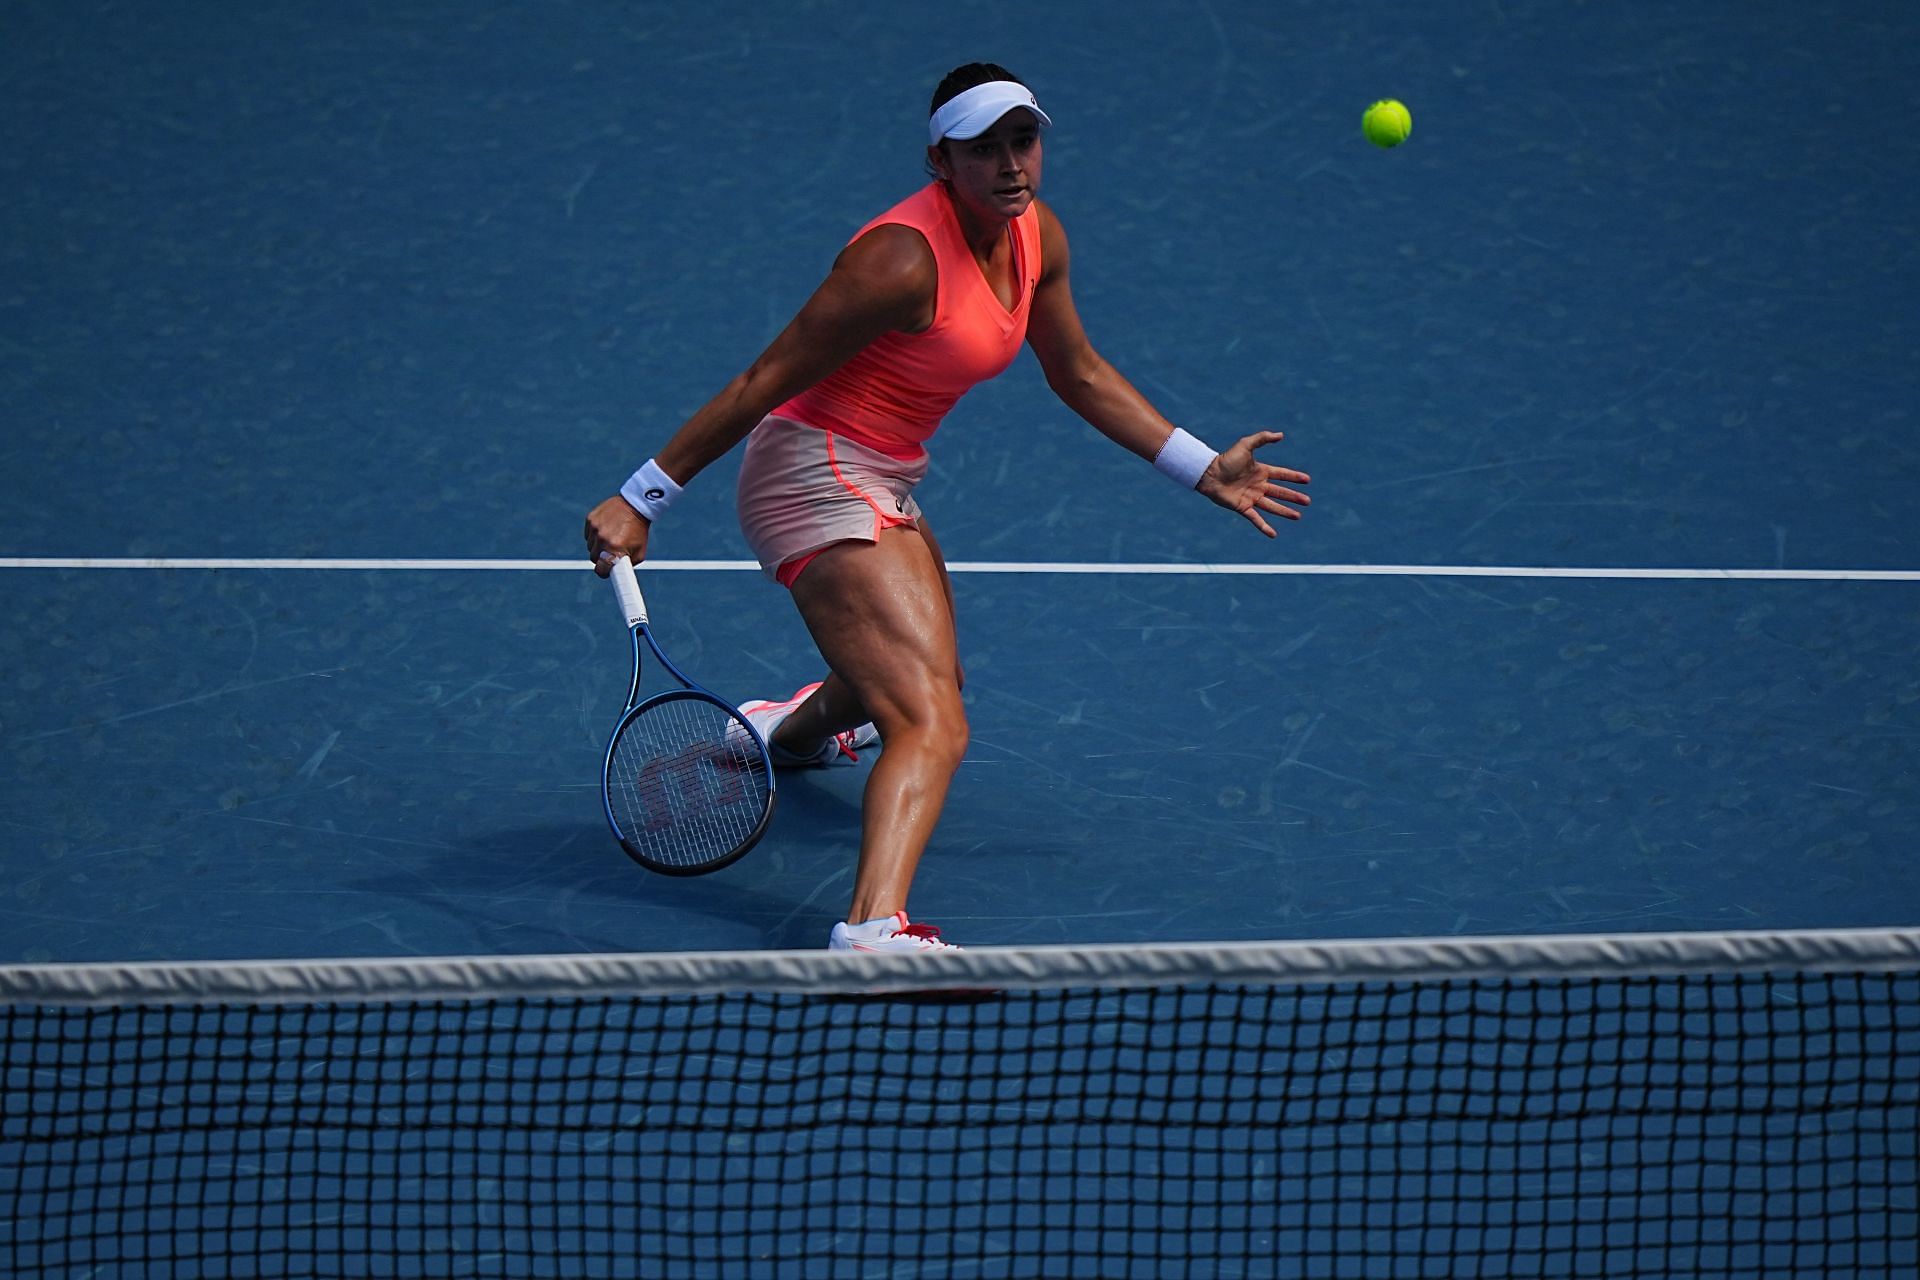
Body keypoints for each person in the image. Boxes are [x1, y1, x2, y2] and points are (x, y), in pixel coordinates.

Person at [584, 63, 1311, 952]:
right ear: (942, 160)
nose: (1011, 165)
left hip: (884, 470)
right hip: (813, 471)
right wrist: (640, 496)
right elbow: (767, 377)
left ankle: (787, 733)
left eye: (1023, 140)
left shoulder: (1036, 234)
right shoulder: (897, 260)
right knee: (930, 719)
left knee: (916, 683)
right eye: (985, 149)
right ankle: (871, 929)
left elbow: (1076, 370)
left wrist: (1202, 468)